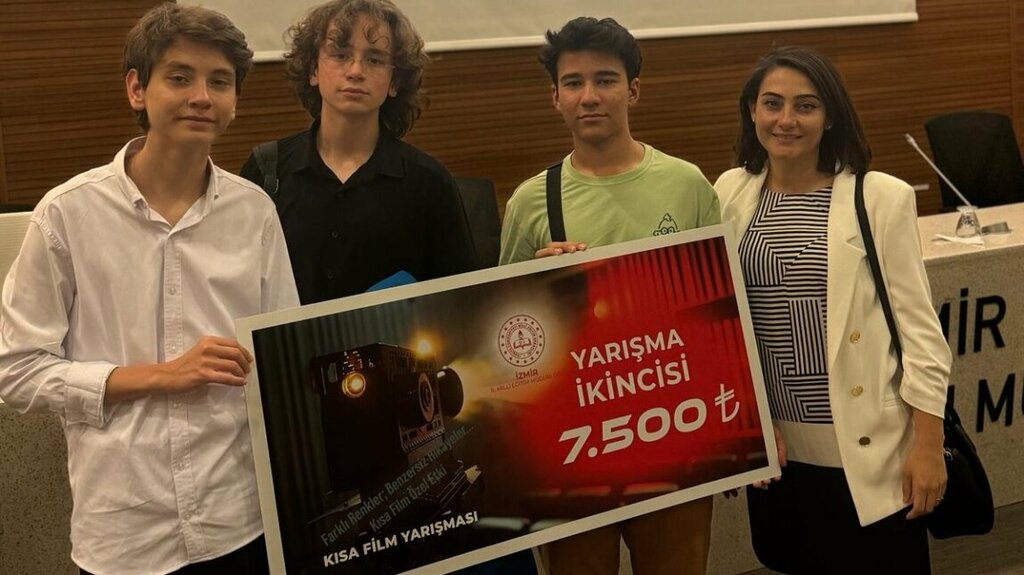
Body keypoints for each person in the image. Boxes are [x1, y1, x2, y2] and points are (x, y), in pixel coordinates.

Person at [0, 4, 299, 574]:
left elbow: (281, 354)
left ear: (235, 101)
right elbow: (16, 370)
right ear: (137, 88)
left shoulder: (255, 212)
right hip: (126, 530)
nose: (201, 97)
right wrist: (161, 375)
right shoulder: (67, 214)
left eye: (220, 82)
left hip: (238, 519)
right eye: (180, 77)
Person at [714, 46, 951, 574]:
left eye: (806, 105)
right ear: (752, 110)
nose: (786, 119)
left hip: (870, 452)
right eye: (772, 103)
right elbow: (720, 322)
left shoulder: (879, 197)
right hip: (779, 452)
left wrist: (929, 447)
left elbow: (921, 334)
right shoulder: (730, 191)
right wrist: (741, 426)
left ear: (830, 116)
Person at [498, 16, 720, 575]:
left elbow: (721, 318)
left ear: (633, 90)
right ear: (555, 98)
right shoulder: (530, 201)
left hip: (675, 437)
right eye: (573, 83)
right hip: (574, 452)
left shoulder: (688, 184)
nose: (589, 96)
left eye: (605, 80)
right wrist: (540, 289)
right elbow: (505, 340)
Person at [240, 0, 477, 305]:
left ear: (394, 82)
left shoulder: (429, 182)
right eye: (340, 55)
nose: (355, 71)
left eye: (374, 60)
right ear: (313, 70)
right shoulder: (266, 171)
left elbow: (462, 303)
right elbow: (239, 291)